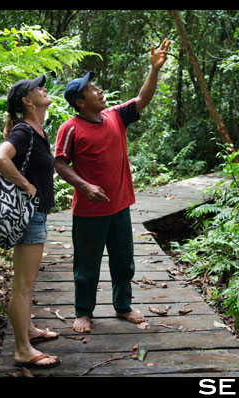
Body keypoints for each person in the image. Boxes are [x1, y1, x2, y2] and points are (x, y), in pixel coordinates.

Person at [55, 39, 171, 333]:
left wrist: (154, 69)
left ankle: (123, 307)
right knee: (87, 266)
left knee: (124, 261)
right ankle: (84, 312)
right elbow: (59, 163)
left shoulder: (115, 116)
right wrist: (85, 186)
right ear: (80, 102)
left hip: (119, 205)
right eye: (92, 89)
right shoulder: (70, 128)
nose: (99, 90)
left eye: (96, 87)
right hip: (89, 212)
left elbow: (142, 99)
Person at [0, 75, 60, 368]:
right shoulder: (23, 131)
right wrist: (25, 185)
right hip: (29, 216)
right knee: (24, 285)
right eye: (38, 88)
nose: (45, 89)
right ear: (27, 101)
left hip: (36, 215)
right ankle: (22, 349)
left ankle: (28, 331)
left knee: (27, 284)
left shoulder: (37, 130)